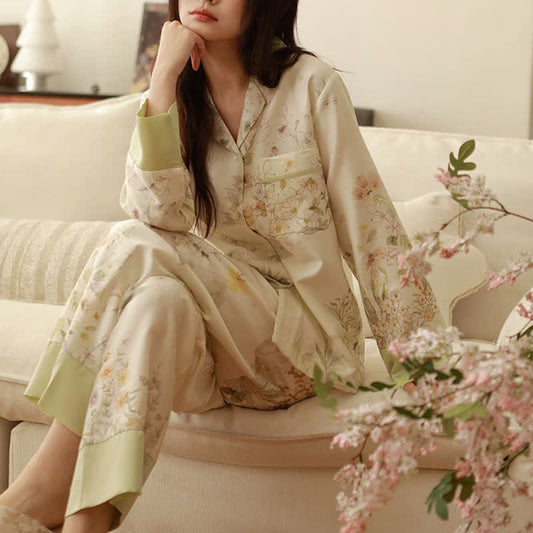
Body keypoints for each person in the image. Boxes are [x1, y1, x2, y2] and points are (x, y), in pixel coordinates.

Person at [0, 0, 444, 531]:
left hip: (305, 348)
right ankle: (86, 521)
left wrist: (430, 374)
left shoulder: (310, 85)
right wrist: (162, 80)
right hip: (214, 356)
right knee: (157, 300)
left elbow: (371, 230)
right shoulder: (178, 96)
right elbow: (158, 213)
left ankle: (35, 493)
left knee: (132, 241)